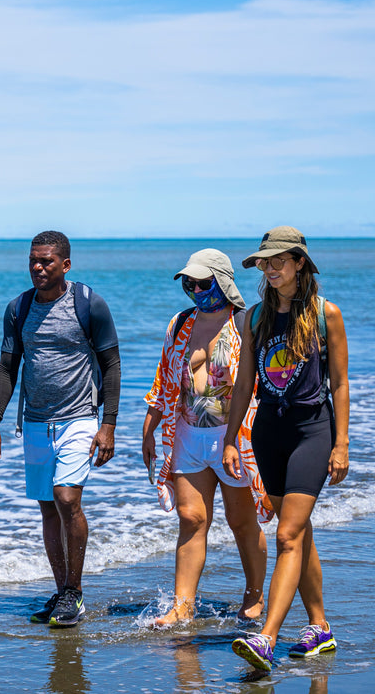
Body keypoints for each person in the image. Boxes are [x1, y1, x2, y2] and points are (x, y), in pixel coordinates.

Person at [222, 226, 350, 671]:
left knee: (286, 535)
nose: (270, 267)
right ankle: (320, 627)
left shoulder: (324, 314)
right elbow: (243, 384)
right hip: (268, 434)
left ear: (299, 263)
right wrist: (230, 439)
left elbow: (340, 383)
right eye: (265, 261)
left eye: (279, 260)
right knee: (298, 529)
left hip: (312, 431)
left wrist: (342, 444)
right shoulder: (254, 318)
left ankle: (267, 638)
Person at [0, 230, 121, 628]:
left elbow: (111, 365)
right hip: (36, 422)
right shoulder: (19, 308)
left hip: (80, 417)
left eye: (46, 261)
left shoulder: (88, 304)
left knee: (66, 499)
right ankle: (62, 594)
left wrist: (107, 425)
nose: (38, 268)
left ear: (66, 264)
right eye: (33, 261)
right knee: (48, 506)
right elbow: (9, 368)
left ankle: (74, 592)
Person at [142, 249, 268, 627]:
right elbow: (164, 379)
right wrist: (149, 427)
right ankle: (183, 604)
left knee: (241, 521)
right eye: (188, 282)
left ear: (223, 282)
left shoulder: (246, 323)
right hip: (187, 435)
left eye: (202, 281)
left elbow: (265, 382)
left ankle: (254, 594)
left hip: (235, 436)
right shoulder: (180, 324)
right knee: (191, 518)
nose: (194, 289)